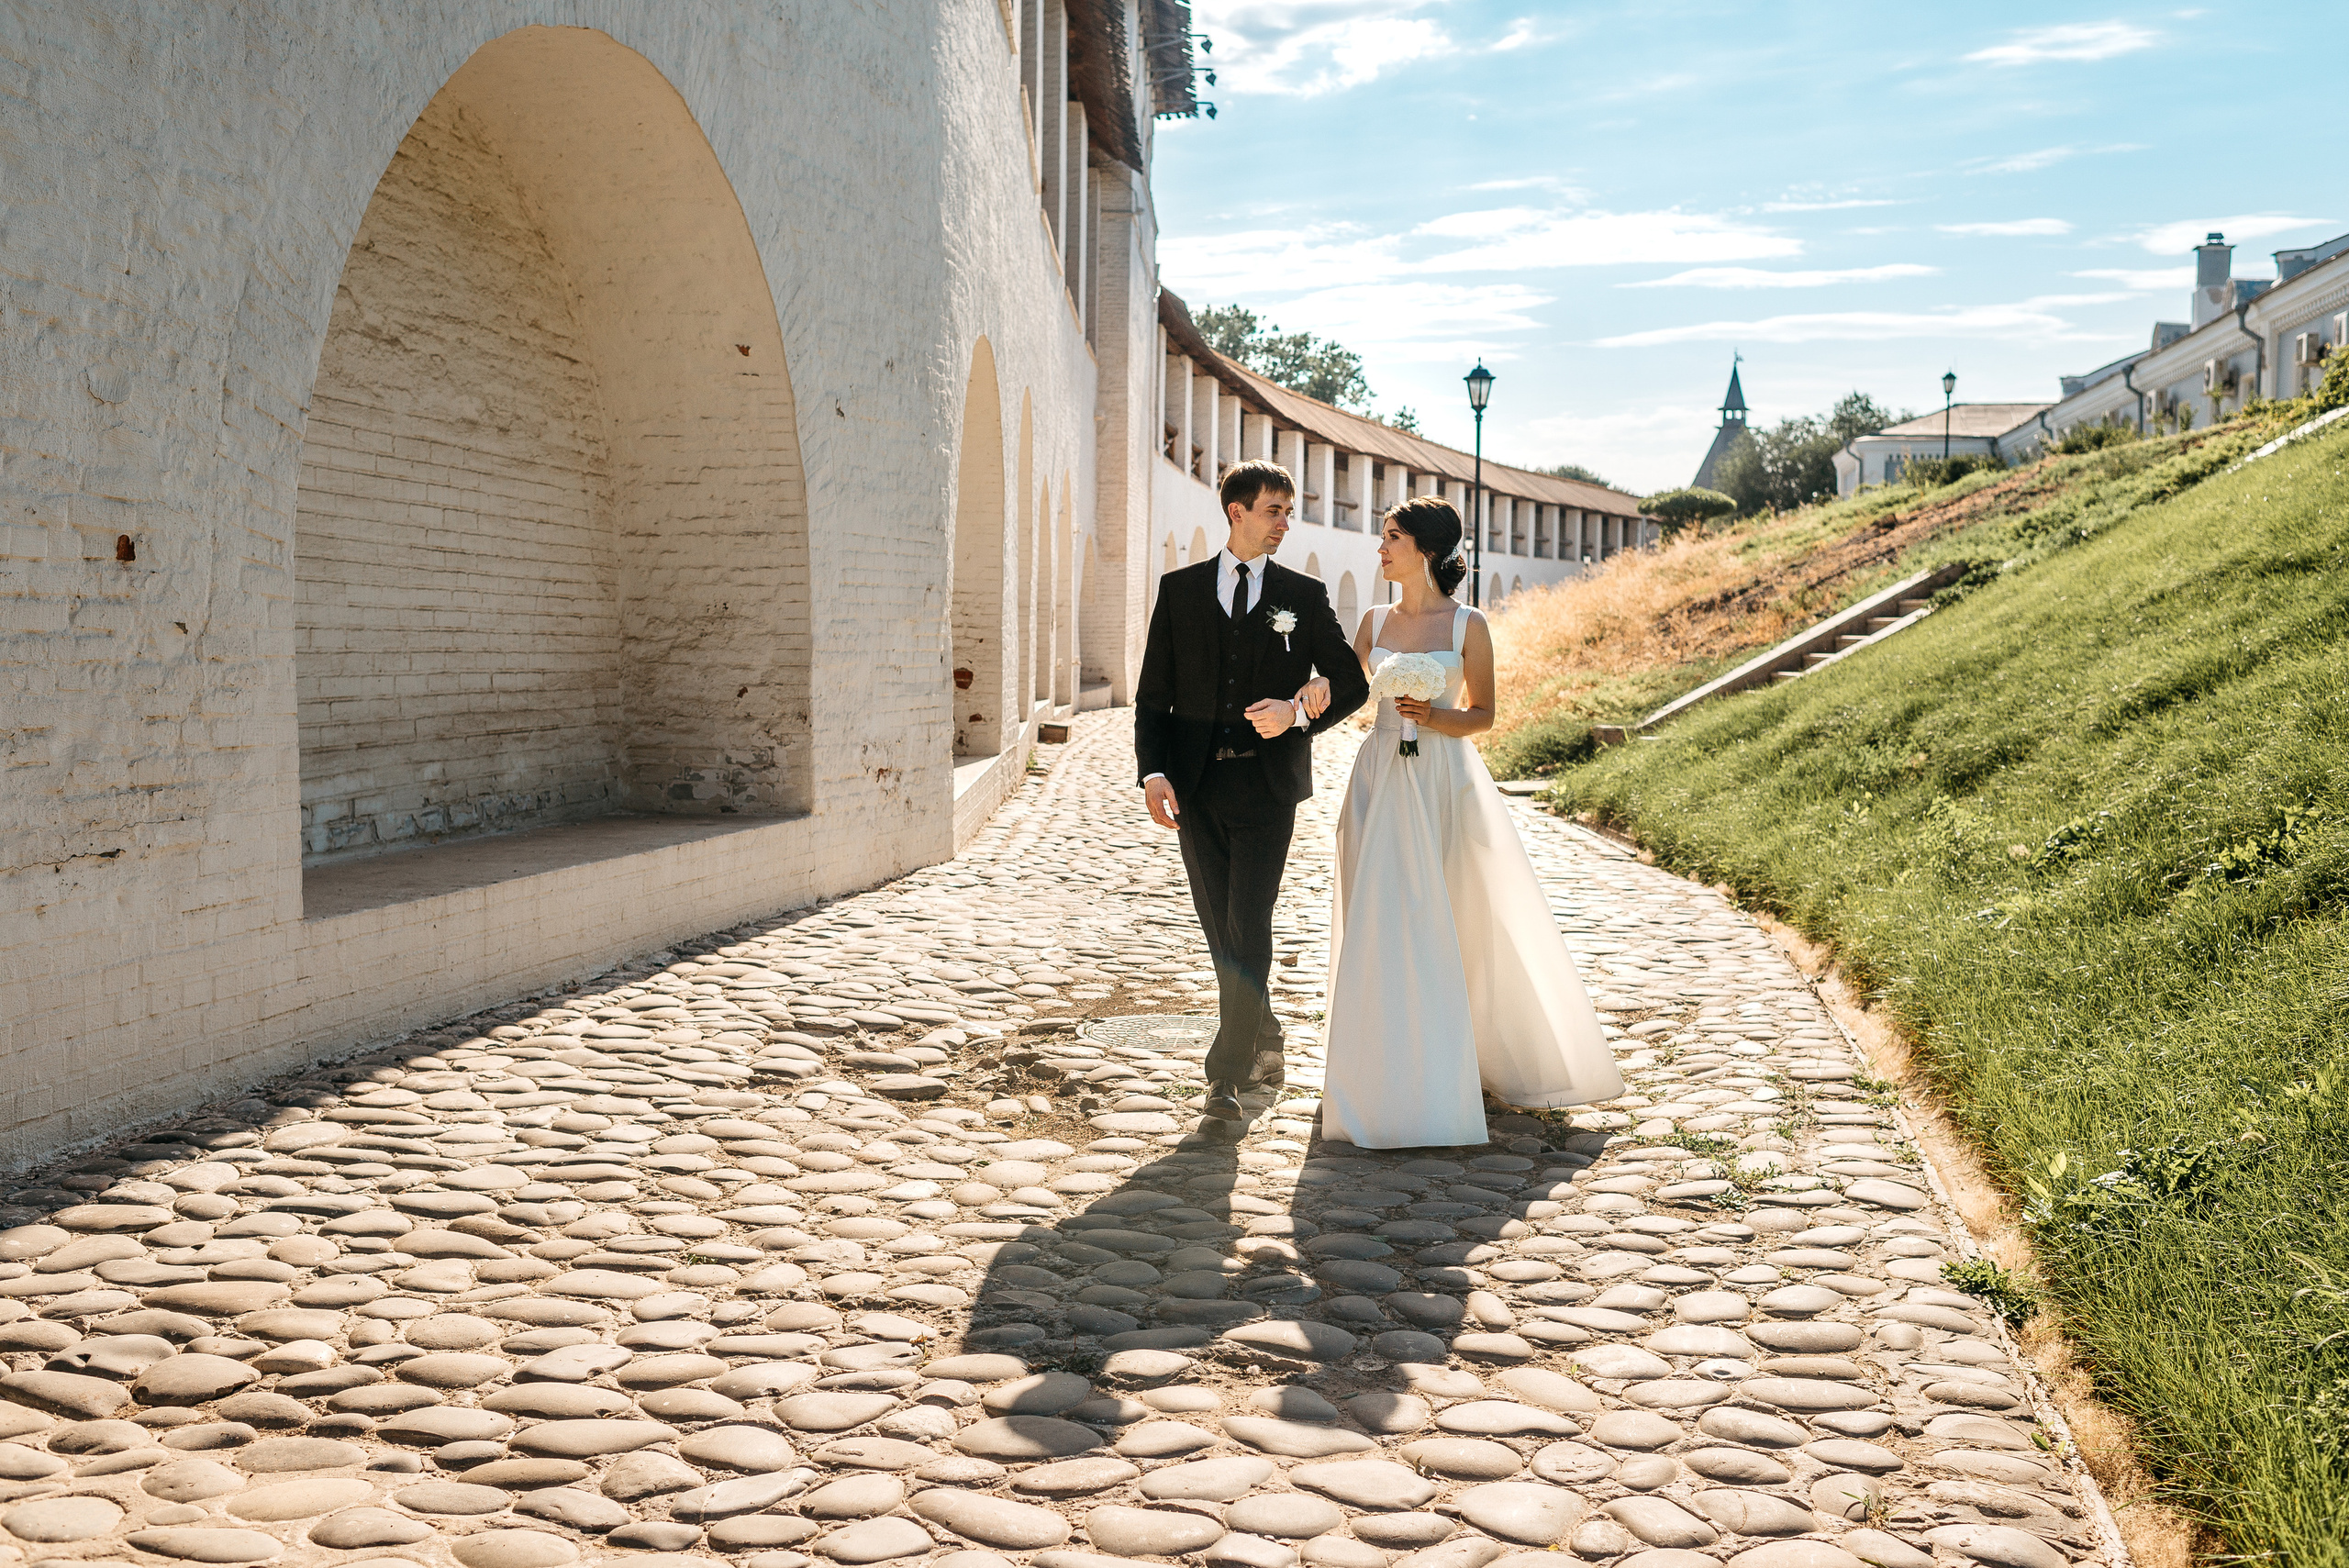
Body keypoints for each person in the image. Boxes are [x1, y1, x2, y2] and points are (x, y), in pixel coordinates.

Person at [1306, 495, 1622, 1149]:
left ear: (1425, 548)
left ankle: (1453, 1059)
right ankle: (1380, 1066)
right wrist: (1297, 703)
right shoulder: (1370, 621)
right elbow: (1337, 690)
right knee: (1378, 915)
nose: (1380, 548)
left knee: (1452, 916)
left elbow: (1484, 714)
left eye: (1391, 536)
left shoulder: (1468, 625)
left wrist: (1433, 716)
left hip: (1446, 781)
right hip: (1377, 779)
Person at [1133, 460, 1370, 1125]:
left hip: (1268, 788)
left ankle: (1224, 1077)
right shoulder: (1178, 591)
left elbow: (1352, 683)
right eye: (1274, 511)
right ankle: (1262, 1030)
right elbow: (1154, 695)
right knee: (1220, 931)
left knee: (1251, 924)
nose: (1284, 524)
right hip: (1195, 787)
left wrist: (1298, 713)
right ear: (1236, 511)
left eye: (1288, 512)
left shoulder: (1302, 592)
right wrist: (1152, 771)